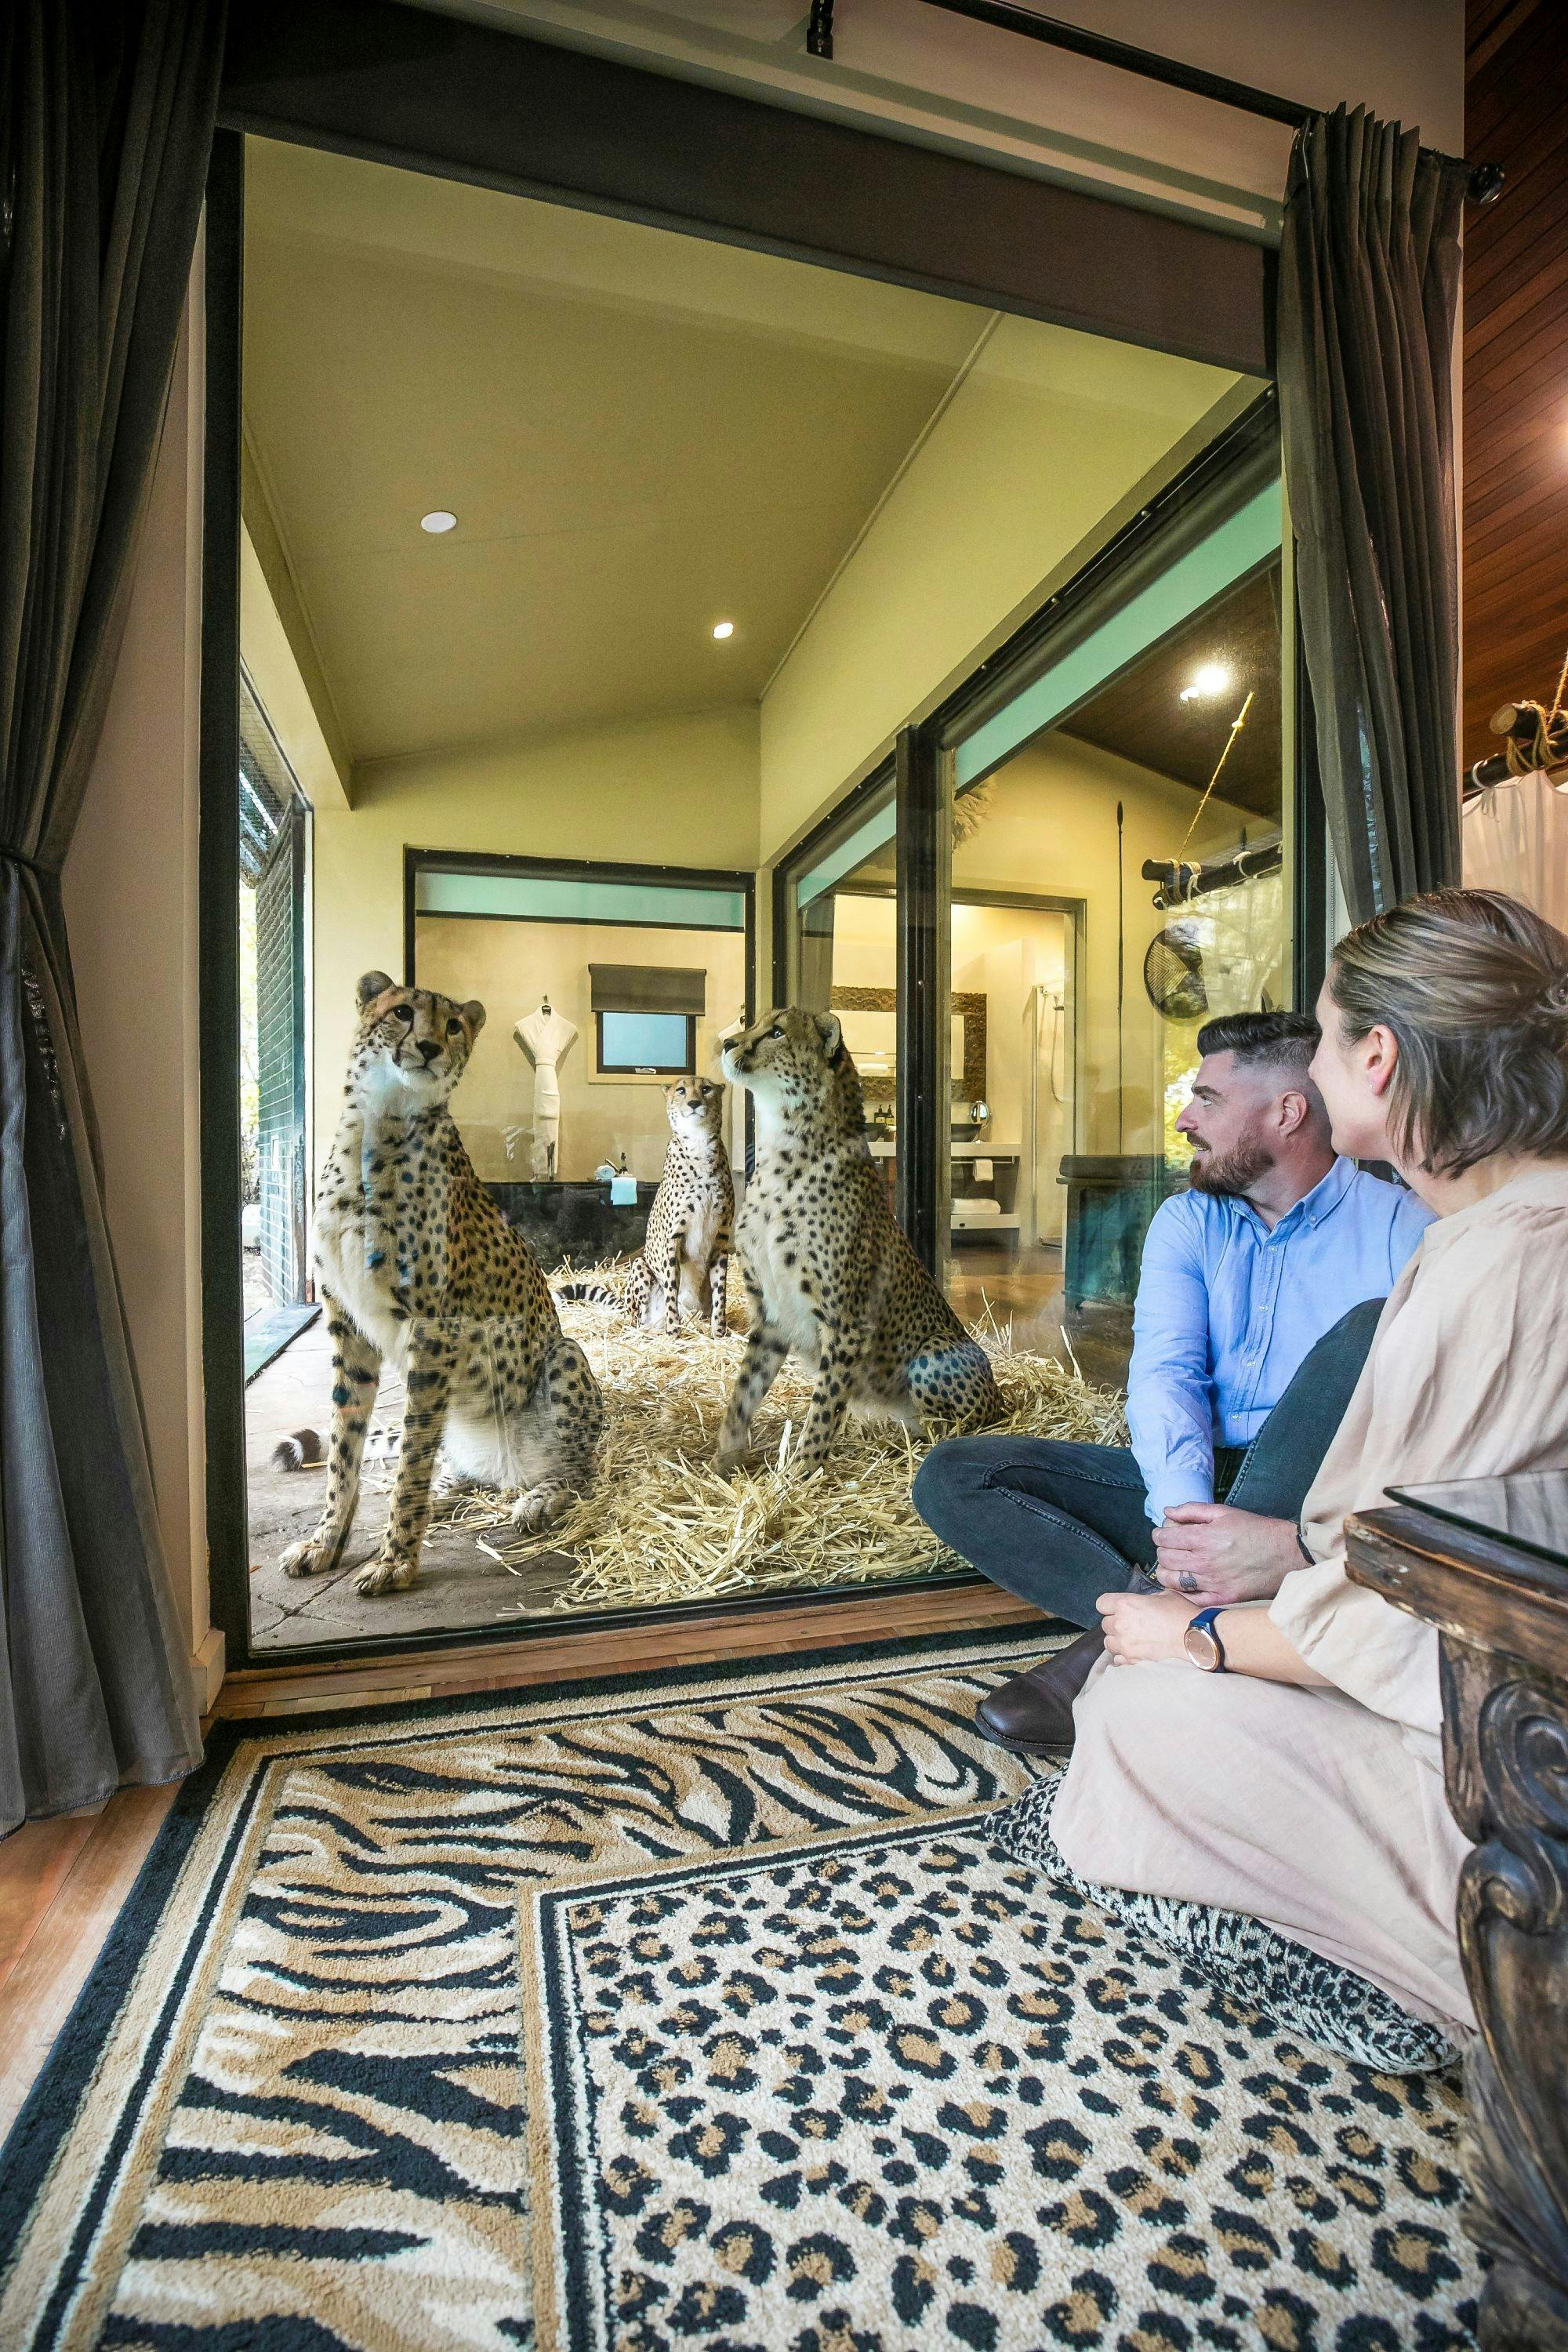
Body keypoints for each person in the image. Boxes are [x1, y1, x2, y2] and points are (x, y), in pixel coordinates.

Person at [1044, 887, 1568, 2034]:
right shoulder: (1499, 1231)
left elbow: (1401, 1627)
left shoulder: (1486, 1263)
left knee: (1133, 1715)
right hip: (1312, 1573)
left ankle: (1432, 1972)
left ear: (1375, 1059)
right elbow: (1165, 1378)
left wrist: (1192, 1636)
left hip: (1510, 1785)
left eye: (1329, 1038)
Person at [913, 1009, 1432, 1752]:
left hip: (1316, 1502)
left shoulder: (1400, 1226)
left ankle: (1135, 1641)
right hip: (1200, 1483)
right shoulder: (1188, 1221)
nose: (1186, 1119)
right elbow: (1167, 1374)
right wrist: (1187, 1521)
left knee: (1356, 1341)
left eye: (1208, 1100)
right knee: (957, 1474)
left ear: (1288, 1112)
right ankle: (1170, 1615)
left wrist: (1277, 1537)